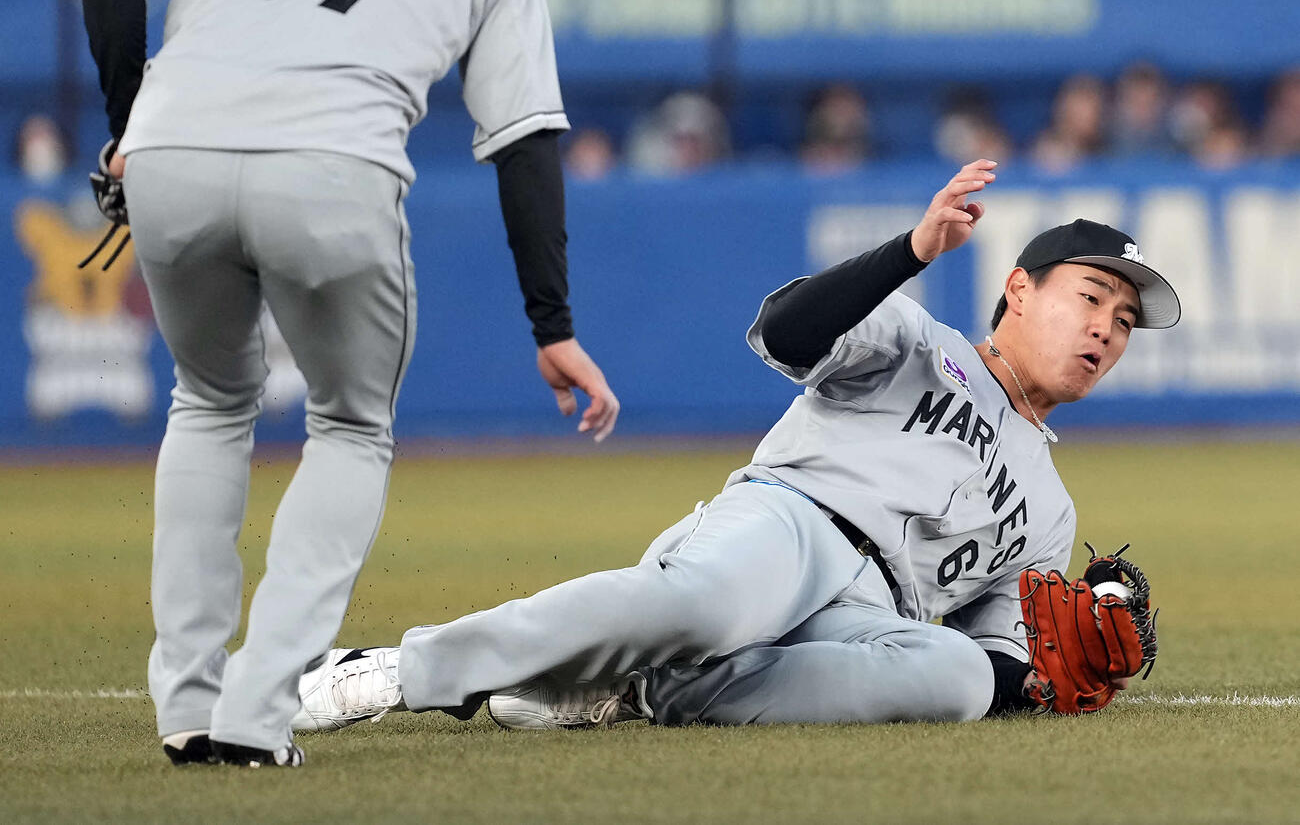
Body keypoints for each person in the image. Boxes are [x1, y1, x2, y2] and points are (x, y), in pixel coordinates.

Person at [74, 0, 619, 769]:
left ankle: (187, 706)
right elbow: (523, 141)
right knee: (350, 427)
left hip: (177, 154)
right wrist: (551, 324)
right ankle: (253, 712)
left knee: (208, 400)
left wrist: (131, 120)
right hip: (332, 172)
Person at [290, 159, 1180, 735]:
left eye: (1126, 321)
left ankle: (651, 691)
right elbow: (785, 332)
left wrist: (1058, 670)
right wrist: (911, 251)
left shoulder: (1050, 511)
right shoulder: (921, 342)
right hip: (789, 524)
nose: (1107, 328)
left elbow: (1003, 658)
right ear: (1019, 291)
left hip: (872, 613)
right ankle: (401, 666)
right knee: (704, 610)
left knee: (952, 681)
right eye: (1092, 296)